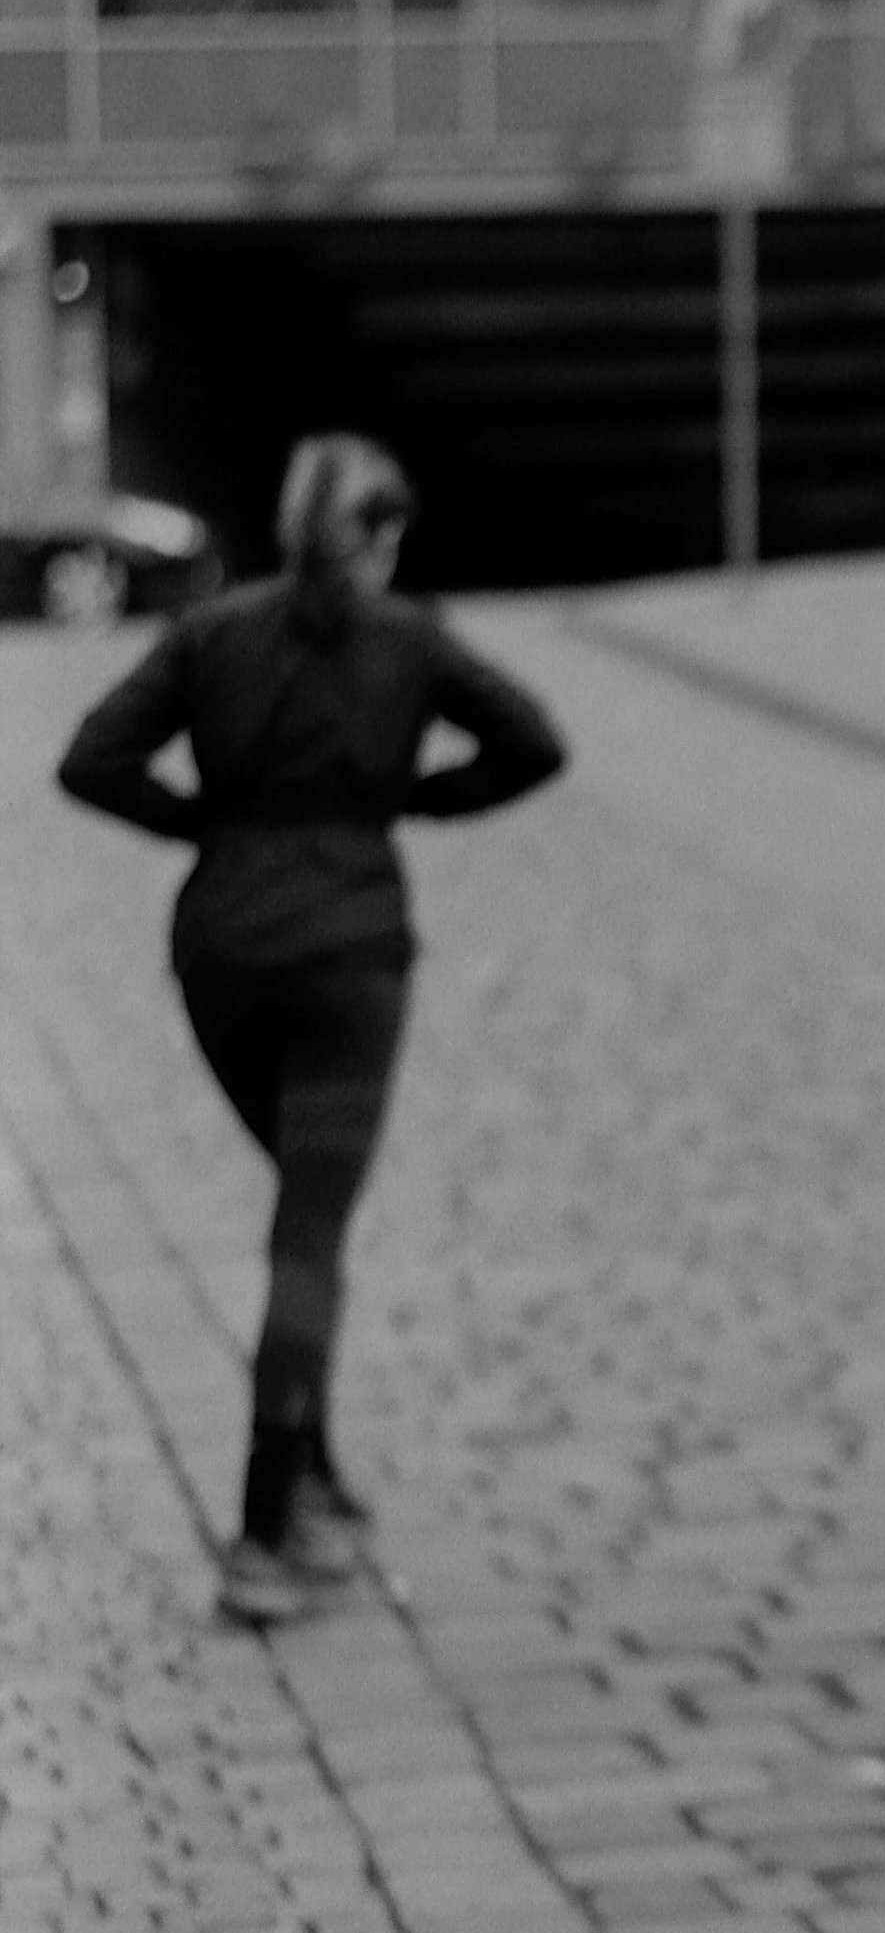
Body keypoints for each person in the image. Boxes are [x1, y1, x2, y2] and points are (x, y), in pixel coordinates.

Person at [56, 434, 565, 1626]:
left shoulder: (211, 632)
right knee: (310, 1234)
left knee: (304, 1215)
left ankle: (319, 1476)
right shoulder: (411, 640)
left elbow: (89, 761)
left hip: (223, 956)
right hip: (347, 959)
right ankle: (264, 1524)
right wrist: (413, 802)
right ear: (381, 536)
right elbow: (533, 745)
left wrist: (203, 824)